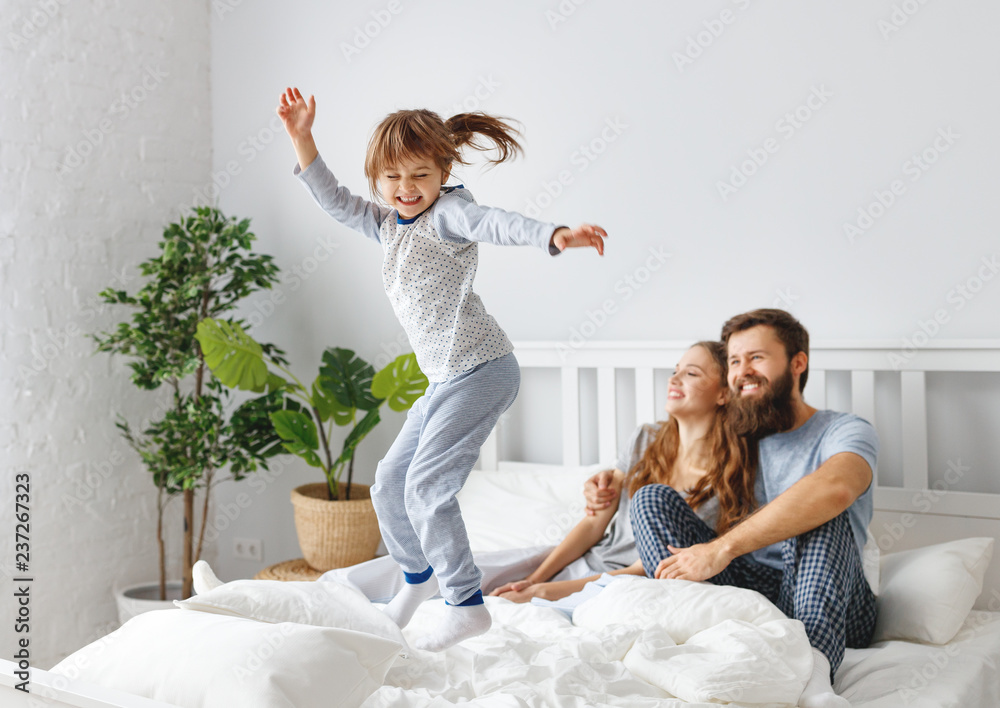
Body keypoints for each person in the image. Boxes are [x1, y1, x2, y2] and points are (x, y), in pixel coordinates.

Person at [276, 87, 607, 652]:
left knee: (428, 487)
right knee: (387, 486)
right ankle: (415, 578)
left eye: (419, 177)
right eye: (391, 179)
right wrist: (303, 138)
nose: (405, 190)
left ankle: (465, 602)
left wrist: (552, 235)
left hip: (482, 370)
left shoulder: (450, 214)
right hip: (443, 381)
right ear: (377, 179)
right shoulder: (388, 224)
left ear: (443, 172)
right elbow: (334, 200)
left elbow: (497, 223)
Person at [614, 309, 877, 708]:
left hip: (837, 602)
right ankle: (707, 640)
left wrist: (721, 549)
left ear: (797, 363)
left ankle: (812, 678)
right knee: (652, 498)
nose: (742, 371)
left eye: (756, 357)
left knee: (817, 511)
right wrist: (611, 478)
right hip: (750, 595)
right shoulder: (738, 437)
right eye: (734, 361)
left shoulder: (843, 429)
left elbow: (837, 487)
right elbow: (675, 445)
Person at [491, 341, 757, 604]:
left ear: (724, 393)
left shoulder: (727, 477)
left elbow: (645, 569)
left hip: (628, 584)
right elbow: (594, 524)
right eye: (675, 370)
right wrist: (536, 579)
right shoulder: (645, 439)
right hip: (587, 563)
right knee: (470, 575)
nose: (674, 379)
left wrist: (545, 592)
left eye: (691, 373)